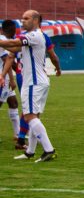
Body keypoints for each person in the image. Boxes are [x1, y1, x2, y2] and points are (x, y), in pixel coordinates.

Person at [0, 10, 61, 162]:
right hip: (39, 81)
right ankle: (30, 152)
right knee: (34, 116)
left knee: (29, 116)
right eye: (22, 18)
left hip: (33, 82)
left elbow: (13, 43)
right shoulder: (35, 37)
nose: (22, 21)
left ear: (35, 20)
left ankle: (49, 149)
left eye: (26, 18)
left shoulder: (34, 35)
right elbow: (15, 48)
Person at [0, 19, 21, 144]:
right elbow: (7, 61)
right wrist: (13, 78)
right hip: (3, 79)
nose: (13, 32)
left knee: (13, 103)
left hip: (4, 78)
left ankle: (18, 134)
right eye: (12, 30)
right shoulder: (4, 40)